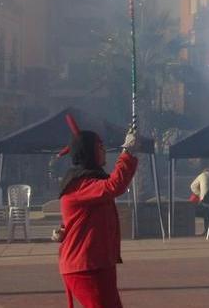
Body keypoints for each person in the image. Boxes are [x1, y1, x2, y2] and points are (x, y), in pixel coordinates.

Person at [57, 117, 138, 308]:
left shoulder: (87, 182)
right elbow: (114, 185)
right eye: (99, 147)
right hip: (86, 267)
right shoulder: (80, 184)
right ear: (89, 152)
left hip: (97, 263)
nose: (103, 152)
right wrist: (126, 152)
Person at [190, 166, 209, 233]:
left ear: (203, 171)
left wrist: (199, 194)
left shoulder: (201, 175)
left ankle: (207, 230)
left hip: (205, 198)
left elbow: (192, 186)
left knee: (204, 212)